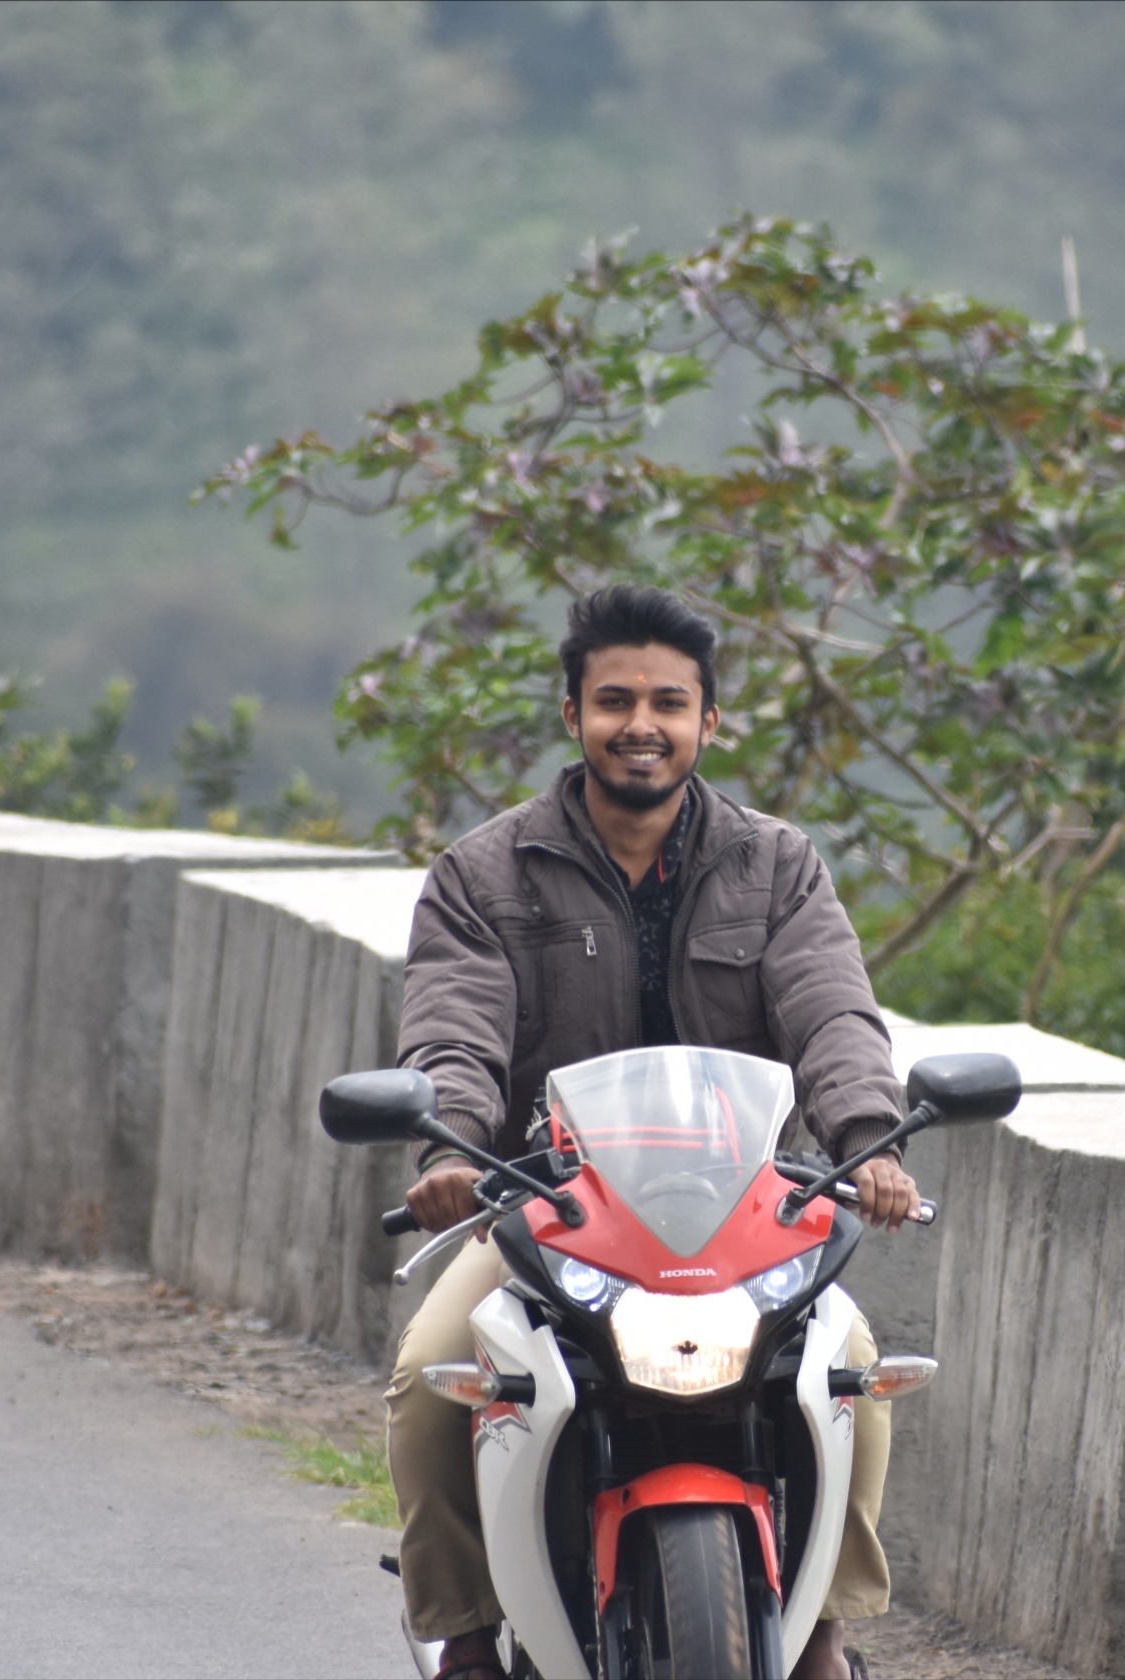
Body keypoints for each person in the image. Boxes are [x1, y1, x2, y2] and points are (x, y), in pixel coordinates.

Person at [386, 585, 920, 1680]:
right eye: (615, 701)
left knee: (851, 1377)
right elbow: (453, 1026)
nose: (642, 724)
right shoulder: (485, 874)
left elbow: (833, 1012)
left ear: (708, 721)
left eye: (669, 703)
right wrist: (448, 1149)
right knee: (428, 1377)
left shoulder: (777, 866)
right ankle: (468, 1638)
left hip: (748, 1215)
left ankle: (823, 1630)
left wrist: (874, 1141)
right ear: (573, 713)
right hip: (547, 1209)